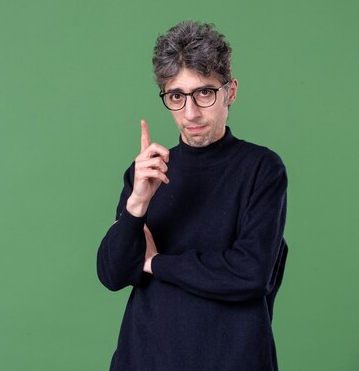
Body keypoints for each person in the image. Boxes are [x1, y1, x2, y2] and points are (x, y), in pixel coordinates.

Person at [96, 21, 288, 371]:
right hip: (144, 358)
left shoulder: (261, 168)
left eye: (204, 93)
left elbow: (250, 273)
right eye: (176, 96)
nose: (190, 113)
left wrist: (157, 263)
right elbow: (112, 274)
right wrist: (136, 204)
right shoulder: (147, 171)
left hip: (234, 360)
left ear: (230, 92)